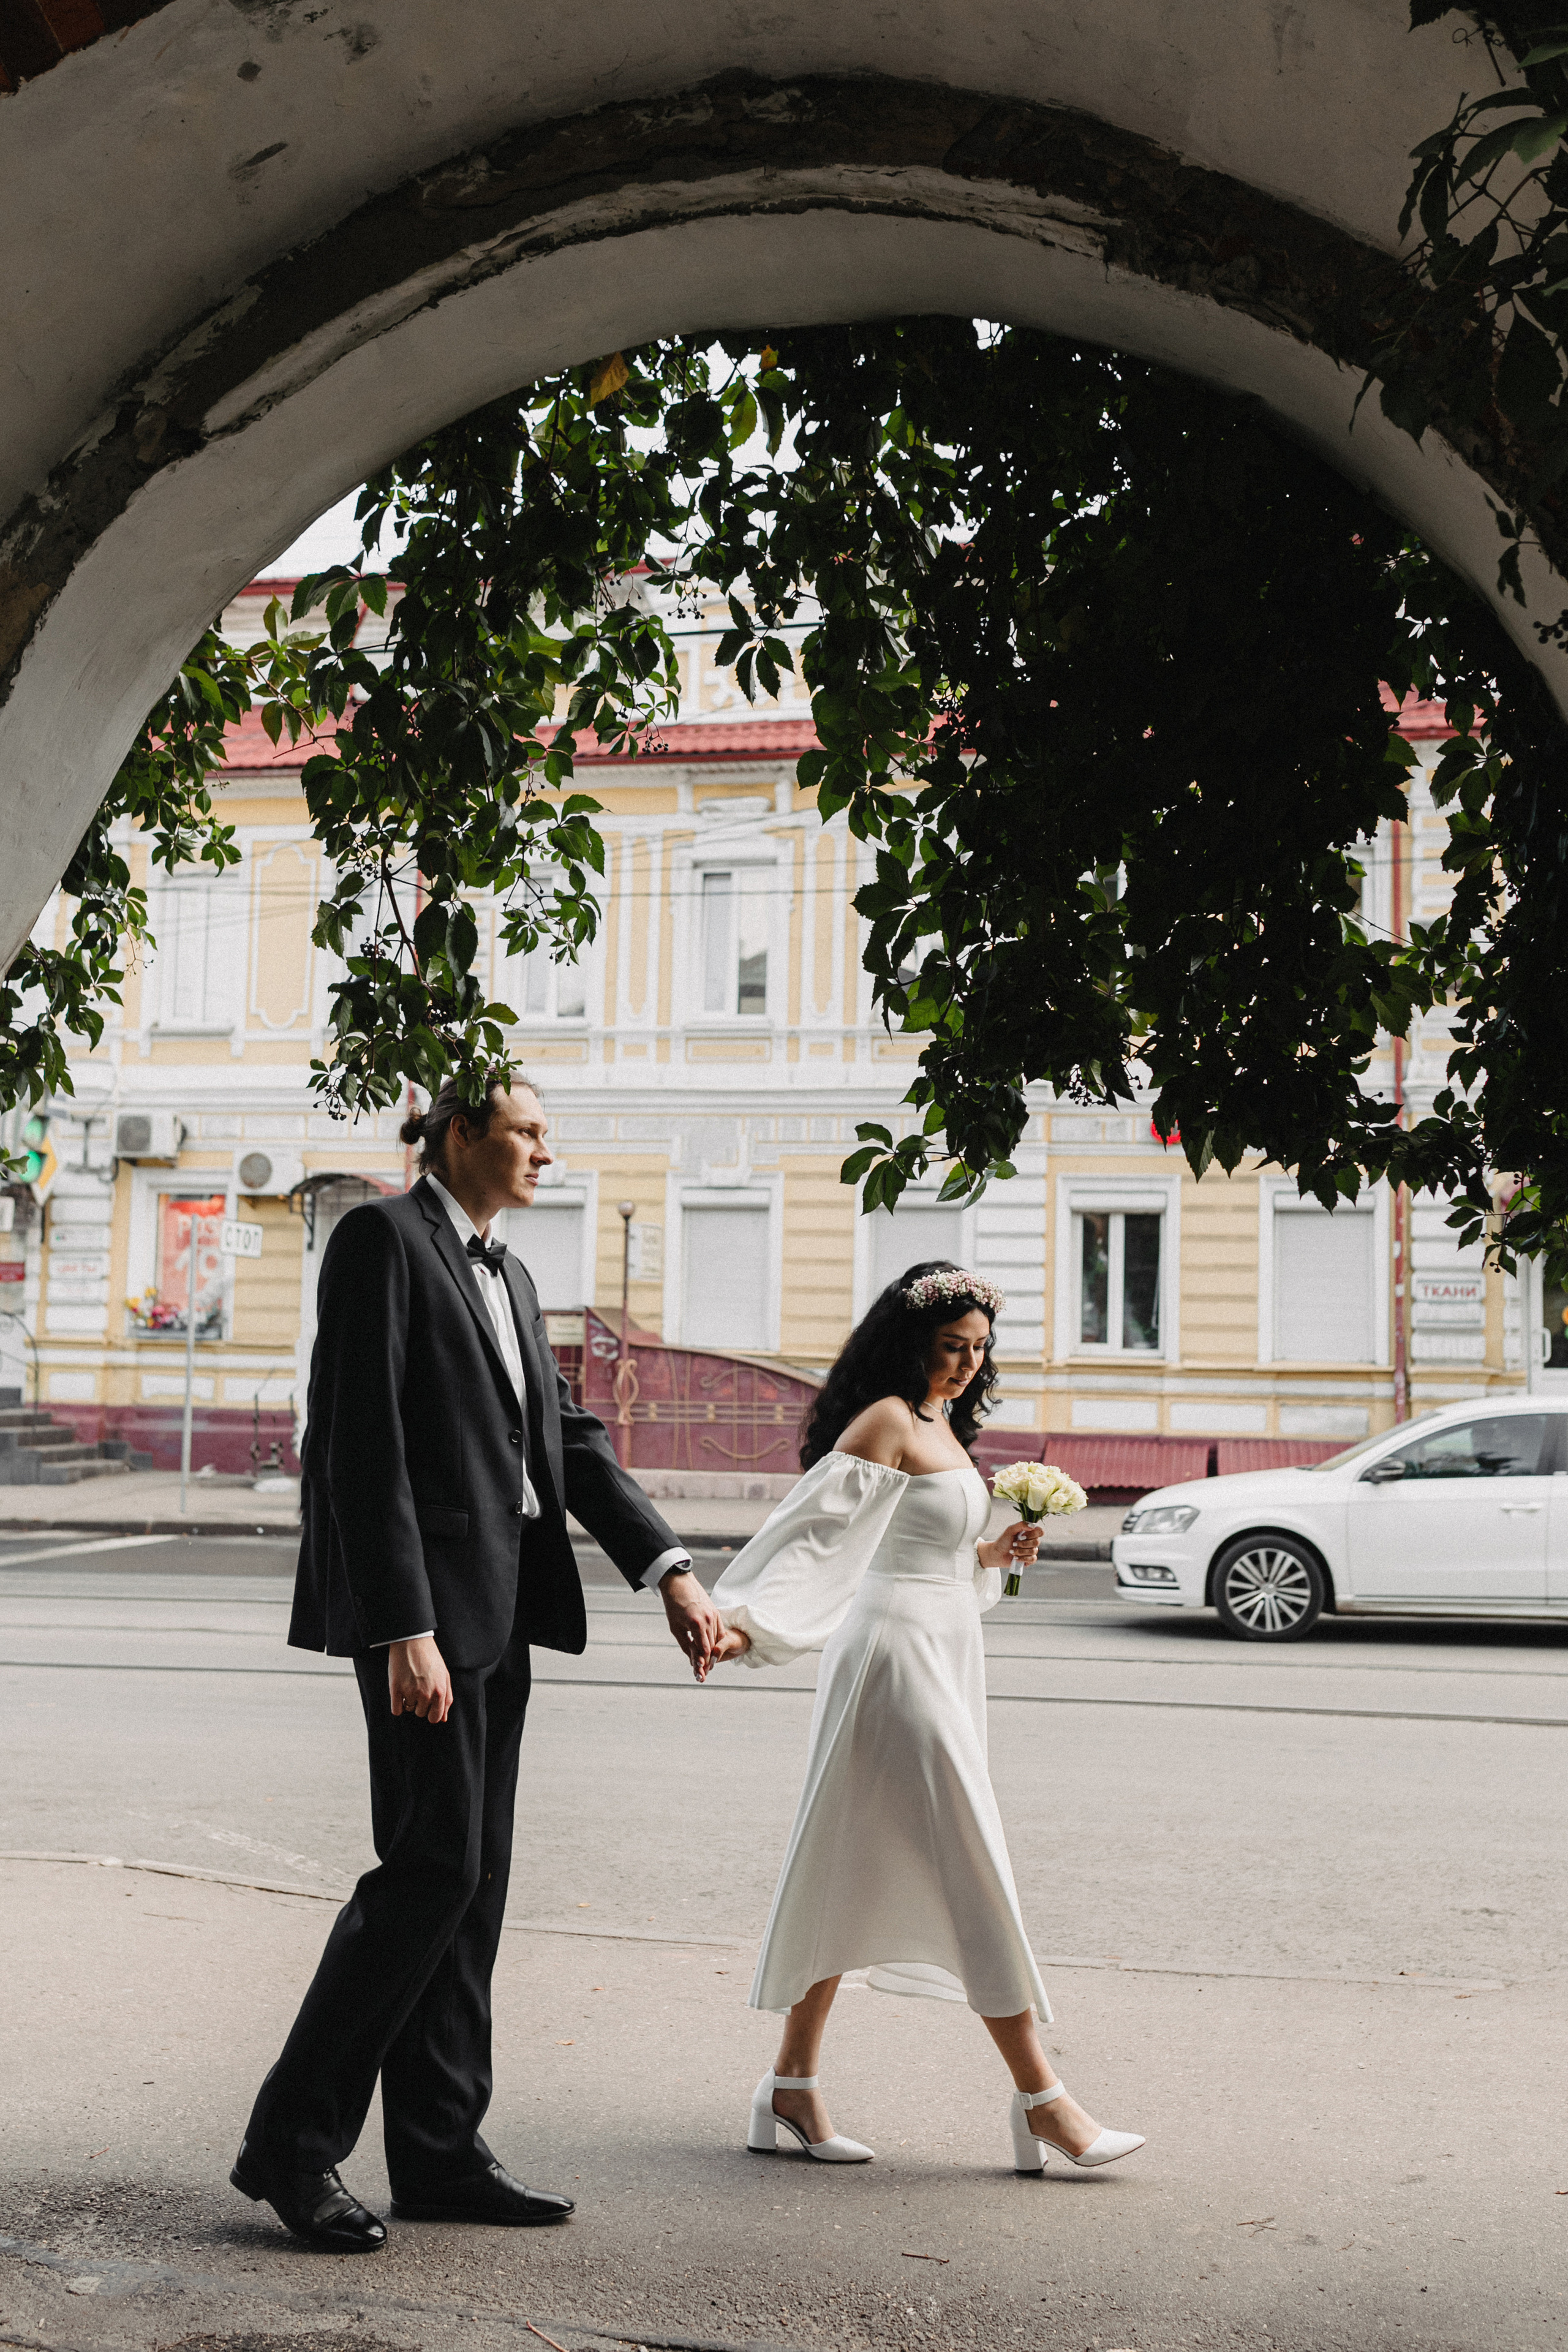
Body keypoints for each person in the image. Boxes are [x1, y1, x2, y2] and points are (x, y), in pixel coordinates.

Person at [232, 1074, 721, 2251]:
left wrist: (670, 1571)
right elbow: (359, 1438)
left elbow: (565, 1438)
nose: (547, 1152)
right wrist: (402, 1626)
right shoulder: (380, 1241)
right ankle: (292, 2149)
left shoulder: (508, 1268)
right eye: (529, 1131)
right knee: (428, 1872)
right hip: (425, 1623)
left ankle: (441, 2153)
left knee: (474, 1884)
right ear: (459, 1134)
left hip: (500, 1611)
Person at [707, 1262, 1145, 2175]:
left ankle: (790, 2084)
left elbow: (940, 1553)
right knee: (970, 1857)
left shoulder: (945, 1423)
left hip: (944, 1647)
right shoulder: (886, 1421)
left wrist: (992, 1550)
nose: (966, 1365)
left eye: (980, 1351)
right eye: (952, 1348)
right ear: (911, 1343)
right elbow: (813, 1538)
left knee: (851, 1865)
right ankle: (1045, 2099)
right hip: (892, 1657)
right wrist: (746, 1626)